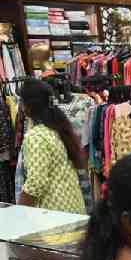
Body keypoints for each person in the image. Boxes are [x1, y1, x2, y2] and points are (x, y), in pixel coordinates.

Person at [16, 78, 86, 214]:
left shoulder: (36, 136)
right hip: (74, 209)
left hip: (52, 217)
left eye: (22, 102)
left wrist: (19, 213)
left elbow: (36, 182)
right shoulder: (59, 129)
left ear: (28, 107)